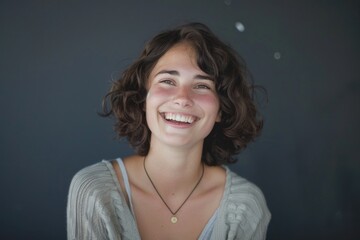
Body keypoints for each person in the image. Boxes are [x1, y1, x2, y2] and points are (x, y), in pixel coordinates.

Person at [67, 22, 271, 240]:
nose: (183, 98)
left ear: (222, 109)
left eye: (202, 85)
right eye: (167, 81)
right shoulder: (94, 191)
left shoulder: (246, 206)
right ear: (143, 98)